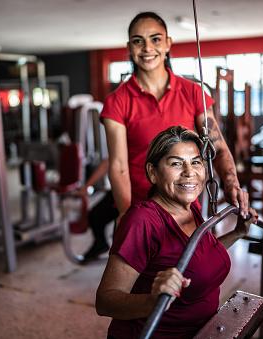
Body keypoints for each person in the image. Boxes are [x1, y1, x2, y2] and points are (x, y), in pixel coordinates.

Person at [96, 126, 258, 338]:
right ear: (153, 173)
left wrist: (237, 233)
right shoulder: (143, 221)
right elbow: (105, 301)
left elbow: (197, 256)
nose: (189, 172)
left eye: (196, 162)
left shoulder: (189, 209)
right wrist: (154, 301)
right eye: (176, 163)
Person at [101, 12, 248, 222]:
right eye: (138, 41)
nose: (147, 48)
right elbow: (119, 166)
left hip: (186, 207)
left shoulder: (193, 92)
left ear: (168, 43)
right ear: (129, 47)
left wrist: (232, 184)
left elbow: (218, 148)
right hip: (143, 211)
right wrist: (127, 216)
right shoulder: (117, 101)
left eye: (155, 39)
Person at [77, 158, 119, 261]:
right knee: (95, 216)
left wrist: (86, 186)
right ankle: (101, 244)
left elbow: (109, 163)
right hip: (124, 187)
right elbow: (109, 162)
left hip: (130, 188)